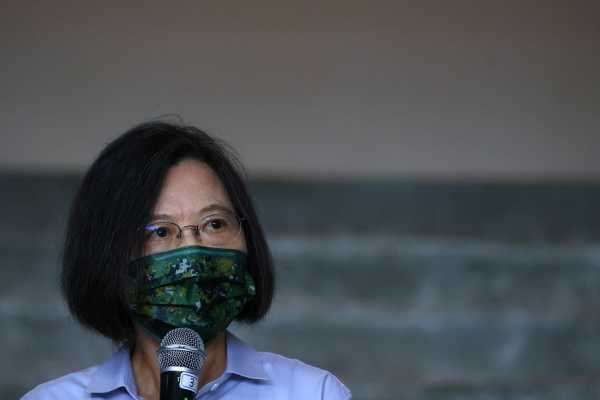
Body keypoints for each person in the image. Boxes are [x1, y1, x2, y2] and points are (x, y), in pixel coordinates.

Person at [22, 121, 351, 400]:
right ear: (108, 256)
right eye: (160, 231)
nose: (193, 250)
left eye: (214, 224)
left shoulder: (311, 393)